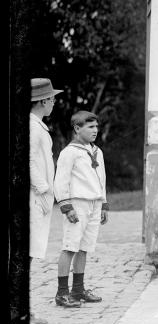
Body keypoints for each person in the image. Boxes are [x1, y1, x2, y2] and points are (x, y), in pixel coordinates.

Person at [53, 111, 108, 307]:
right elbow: (61, 181)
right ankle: (62, 292)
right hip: (77, 203)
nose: (95, 131)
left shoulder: (97, 151)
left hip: (94, 203)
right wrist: (67, 206)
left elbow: (102, 179)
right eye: (90, 127)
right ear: (77, 128)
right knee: (70, 246)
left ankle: (78, 289)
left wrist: (104, 204)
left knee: (84, 247)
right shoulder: (69, 152)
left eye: (96, 127)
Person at [29, 78, 62, 322]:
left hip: (38, 196)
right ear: (43, 101)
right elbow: (28, 161)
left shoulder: (38, 125)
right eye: (52, 99)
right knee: (25, 256)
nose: (53, 103)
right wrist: (42, 191)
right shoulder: (31, 127)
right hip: (33, 197)